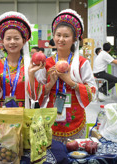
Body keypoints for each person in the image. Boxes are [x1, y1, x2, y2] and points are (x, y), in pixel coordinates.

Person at [28, 9, 97, 143]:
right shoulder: (46, 63)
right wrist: (49, 85)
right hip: (51, 117)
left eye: (66, 36)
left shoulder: (82, 63)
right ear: (53, 37)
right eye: (58, 35)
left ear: (74, 39)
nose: (61, 39)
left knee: (75, 155)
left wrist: (70, 82)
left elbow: (92, 91)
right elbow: (36, 95)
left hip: (76, 118)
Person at [0, 11, 32, 108]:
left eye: (16, 38)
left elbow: (35, 96)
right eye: (8, 38)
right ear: (2, 41)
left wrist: (32, 73)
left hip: (24, 114)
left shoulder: (29, 65)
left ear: (23, 41)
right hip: (2, 115)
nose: (12, 42)